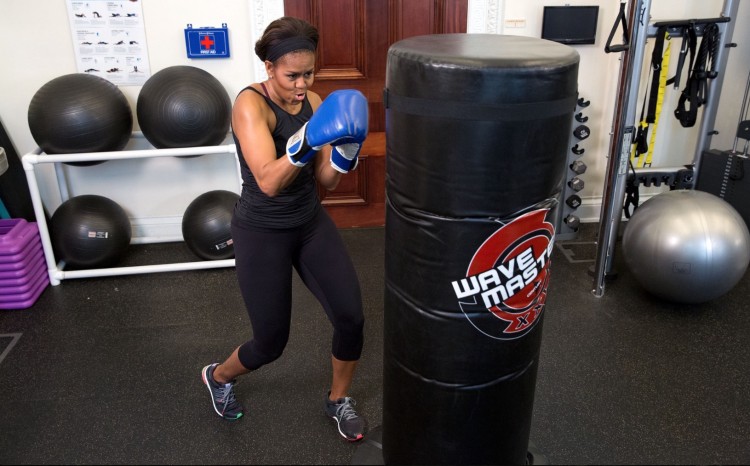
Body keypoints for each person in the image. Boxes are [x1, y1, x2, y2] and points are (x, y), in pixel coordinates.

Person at [200, 16, 369, 443]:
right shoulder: (250, 105)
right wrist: (307, 139)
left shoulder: (313, 99)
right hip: (262, 230)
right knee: (270, 343)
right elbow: (269, 182)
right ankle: (218, 376)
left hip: (309, 223)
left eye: (308, 73)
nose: (301, 83)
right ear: (269, 68)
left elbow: (326, 180)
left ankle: (338, 400)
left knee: (351, 317)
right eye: (291, 74)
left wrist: (347, 153)